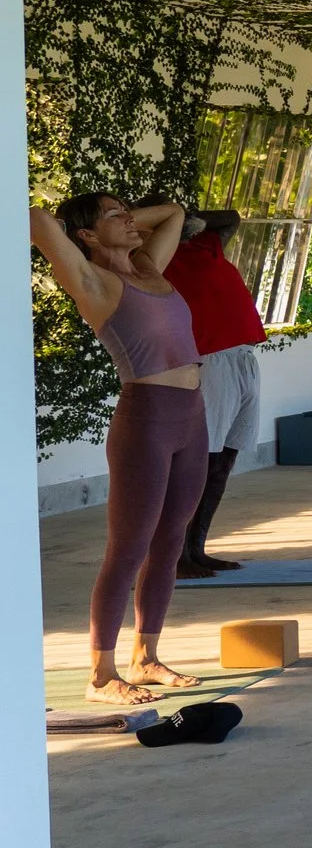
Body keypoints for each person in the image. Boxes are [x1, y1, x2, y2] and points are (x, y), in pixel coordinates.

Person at [31, 194, 209, 704]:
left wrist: (118, 222)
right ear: (85, 236)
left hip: (192, 416)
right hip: (146, 420)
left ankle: (146, 658)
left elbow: (173, 212)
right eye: (115, 215)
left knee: (171, 541)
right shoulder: (94, 283)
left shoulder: (150, 267)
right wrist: (80, 228)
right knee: (128, 549)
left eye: (129, 212)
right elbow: (39, 222)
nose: (130, 220)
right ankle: (101, 675)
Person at [161, 206, 267, 579]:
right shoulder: (151, 257)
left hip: (243, 357)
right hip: (210, 361)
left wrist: (183, 218)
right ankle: (176, 556)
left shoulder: (203, 246)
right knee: (198, 464)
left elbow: (231, 217)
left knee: (223, 462)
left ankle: (197, 549)